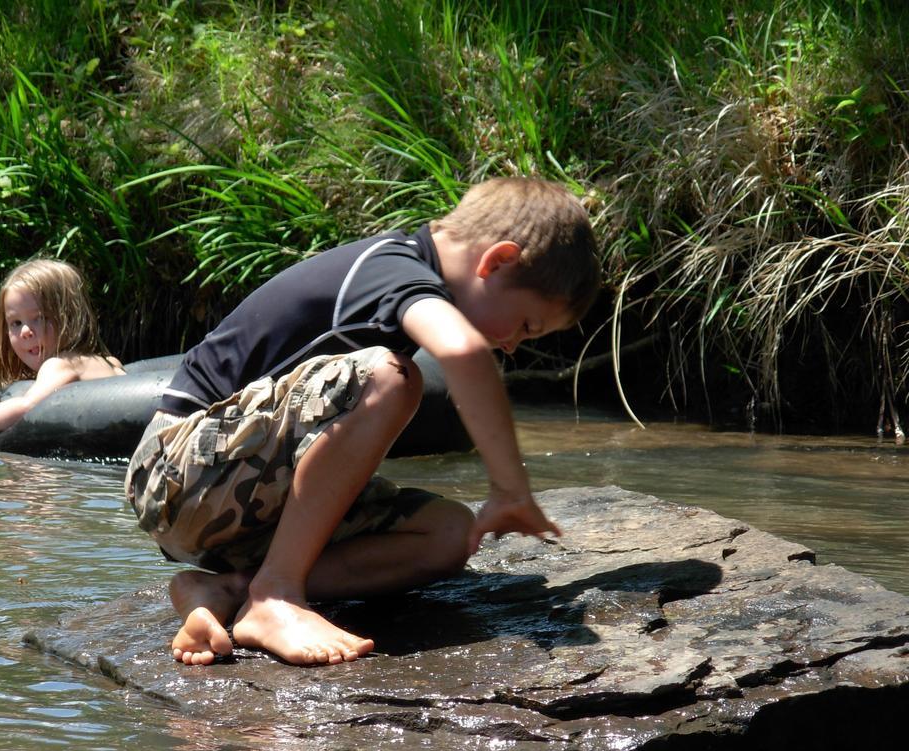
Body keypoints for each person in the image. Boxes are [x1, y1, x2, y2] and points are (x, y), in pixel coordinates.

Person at [125, 177, 601, 667]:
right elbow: (461, 350)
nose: (513, 345)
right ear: (497, 262)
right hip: (177, 471)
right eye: (527, 325)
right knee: (394, 378)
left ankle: (226, 589)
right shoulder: (393, 269)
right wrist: (509, 490)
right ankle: (276, 595)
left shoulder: (405, 275)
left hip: (235, 498)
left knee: (451, 535)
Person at [0, 259, 126, 449]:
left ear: (69, 317)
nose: (26, 331)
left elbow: (29, 408)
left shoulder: (58, 365)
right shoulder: (110, 362)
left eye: (39, 318)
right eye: (16, 323)